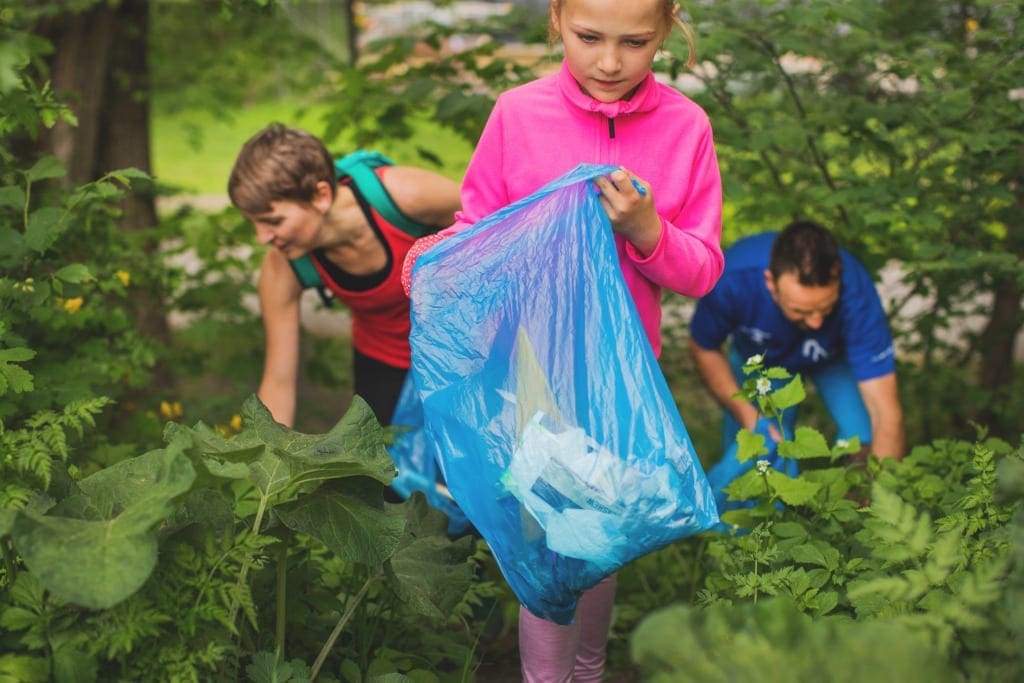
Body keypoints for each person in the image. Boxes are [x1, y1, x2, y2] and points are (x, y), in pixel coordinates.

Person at [405, 1, 723, 680]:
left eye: (635, 42)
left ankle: (589, 666)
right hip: (529, 373)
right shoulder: (518, 114)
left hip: (620, 378)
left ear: (667, 31)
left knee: (600, 534)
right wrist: (438, 260)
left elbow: (702, 269)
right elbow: (478, 227)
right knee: (550, 539)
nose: (609, 62)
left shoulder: (686, 127)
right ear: (556, 20)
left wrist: (646, 227)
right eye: (588, 38)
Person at [227, 123, 461, 428]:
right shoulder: (282, 268)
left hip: (463, 347)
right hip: (383, 359)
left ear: (320, 195)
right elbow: (278, 383)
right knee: (385, 470)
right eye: (255, 224)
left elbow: (503, 230)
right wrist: (267, 466)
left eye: (273, 220)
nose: (261, 237)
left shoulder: (406, 196)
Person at [688, 220, 906, 473]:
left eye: (825, 308)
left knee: (864, 440)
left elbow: (886, 413)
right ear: (771, 283)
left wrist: (883, 500)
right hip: (761, 363)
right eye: (800, 311)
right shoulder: (733, 278)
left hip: (832, 359)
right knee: (757, 451)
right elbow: (703, 347)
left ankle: (861, 503)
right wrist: (749, 418)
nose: (815, 322)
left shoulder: (856, 290)